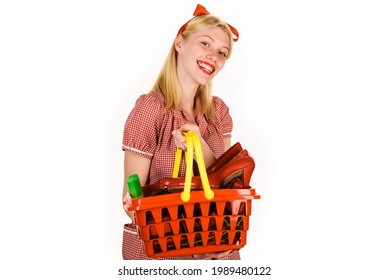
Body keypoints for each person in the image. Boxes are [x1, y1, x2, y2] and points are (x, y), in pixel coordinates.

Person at [121, 4, 240, 260]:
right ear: (179, 44)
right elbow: (131, 201)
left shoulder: (218, 113)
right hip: (165, 258)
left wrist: (197, 144)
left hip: (216, 254)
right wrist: (190, 241)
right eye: (205, 44)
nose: (214, 56)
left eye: (222, 52)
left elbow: (230, 187)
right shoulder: (150, 110)